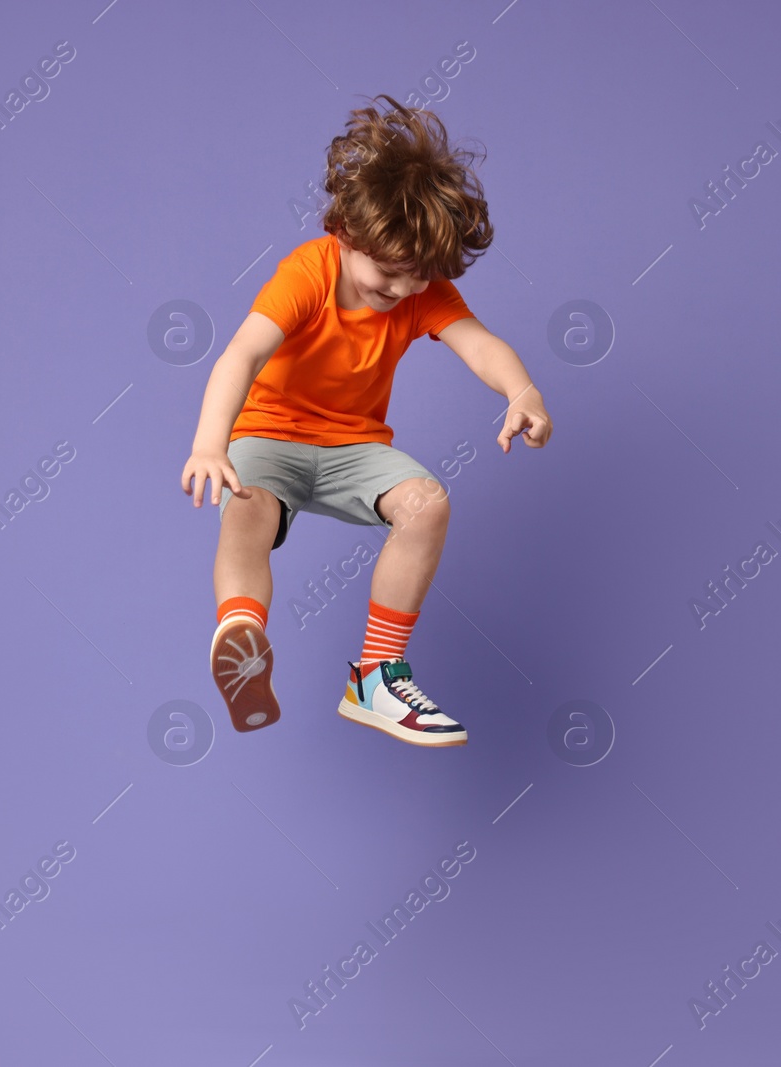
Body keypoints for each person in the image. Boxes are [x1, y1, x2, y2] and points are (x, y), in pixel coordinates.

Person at [179, 93, 552, 747]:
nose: (403, 293)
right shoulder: (309, 273)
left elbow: (480, 343)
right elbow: (242, 352)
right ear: (347, 233)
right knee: (247, 508)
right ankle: (242, 637)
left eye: (418, 280)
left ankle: (377, 678)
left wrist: (522, 390)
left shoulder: (421, 287)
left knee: (428, 502)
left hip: (354, 447)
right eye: (388, 276)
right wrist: (212, 444)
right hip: (270, 435)